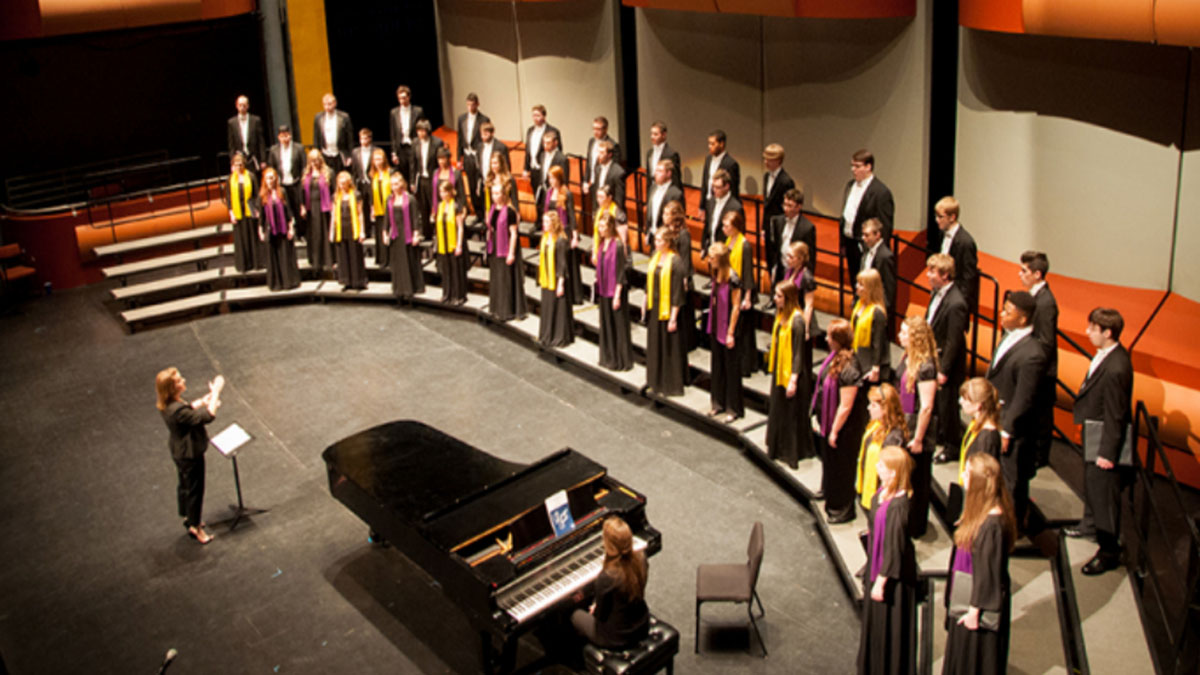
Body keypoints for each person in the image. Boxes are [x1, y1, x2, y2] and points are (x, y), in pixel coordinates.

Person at [1066, 308, 1134, 576]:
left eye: (1092, 328)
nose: (1087, 332)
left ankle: (1108, 552)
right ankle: (1089, 525)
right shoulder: (1107, 357)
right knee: (1092, 488)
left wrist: (1107, 452)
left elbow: (1116, 414)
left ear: (1107, 332)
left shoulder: (1117, 367)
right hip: (1094, 433)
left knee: (1104, 496)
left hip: (1103, 440)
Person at [942, 453, 1016, 675]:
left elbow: (987, 573)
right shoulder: (981, 511)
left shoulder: (991, 525)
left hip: (976, 605)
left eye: (967, 473)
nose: (963, 475)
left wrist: (974, 611)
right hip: (966, 593)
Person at [986, 291, 1047, 532]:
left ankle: (1010, 530)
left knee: (1012, 481)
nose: (1002, 314)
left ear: (1022, 319)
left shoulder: (1033, 354)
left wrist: (1007, 430)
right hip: (995, 419)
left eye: (1008, 311)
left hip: (1013, 430)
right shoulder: (1007, 337)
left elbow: (1024, 397)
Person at [857, 445, 917, 675]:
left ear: (893, 472)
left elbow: (895, 547)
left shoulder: (900, 506)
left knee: (890, 629)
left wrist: (881, 580)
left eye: (882, 465)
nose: (877, 467)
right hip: (877, 567)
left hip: (892, 579)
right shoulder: (882, 494)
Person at [156, 367, 224, 545]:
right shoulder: (177, 410)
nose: (183, 381)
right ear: (172, 388)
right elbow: (208, 416)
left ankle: (188, 515)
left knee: (185, 485)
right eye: (179, 381)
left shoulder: (169, 405)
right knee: (195, 489)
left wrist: (203, 400)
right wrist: (216, 392)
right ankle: (196, 527)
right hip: (189, 453)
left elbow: (187, 410)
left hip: (179, 451)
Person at [814, 318, 868, 523]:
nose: (826, 339)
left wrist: (834, 430)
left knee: (843, 468)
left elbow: (846, 405)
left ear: (838, 340)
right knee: (831, 463)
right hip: (830, 423)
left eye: (830, 336)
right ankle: (829, 493)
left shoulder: (850, 368)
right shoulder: (835, 358)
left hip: (846, 429)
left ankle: (843, 509)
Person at [570, 517, 649, 649]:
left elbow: (600, 616)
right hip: (641, 625)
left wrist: (594, 608)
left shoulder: (608, 577)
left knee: (574, 614)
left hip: (616, 638)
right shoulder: (641, 559)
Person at [925, 254, 970, 464]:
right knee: (938, 405)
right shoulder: (937, 294)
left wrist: (944, 370)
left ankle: (952, 447)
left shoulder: (956, 303)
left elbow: (954, 341)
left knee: (948, 407)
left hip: (947, 365)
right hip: (933, 357)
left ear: (944, 275)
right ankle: (940, 436)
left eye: (932, 271)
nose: (928, 275)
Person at [767, 280, 815, 467]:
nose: (774, 299)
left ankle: (792, 452)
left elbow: (798, 354)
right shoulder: (780, 315)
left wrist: (793, 380)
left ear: (788, 298)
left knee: (792, 413)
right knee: (779, 409)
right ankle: (777, 447)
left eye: (778, 296)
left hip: (793, 374)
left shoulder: (797, 321)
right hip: (780, 370)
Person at [1019, 250, 1059, 469]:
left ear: (1037, 274)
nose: (1020, 274)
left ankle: (1040, 458)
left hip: (1042, 371)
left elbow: (1045, 341)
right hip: (1036, 367)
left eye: (1024, 271)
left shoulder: (1045, 303)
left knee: (1041, 416)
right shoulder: (1037, 298)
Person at [897, 317, 937, 536]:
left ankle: (915, 525)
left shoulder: (926, 366)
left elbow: (927, 407)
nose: (899, 336)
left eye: (904, 333)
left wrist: (919, 438)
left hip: (918, 433)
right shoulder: (907, 358)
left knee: (918, 480)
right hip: (906, 425)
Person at [840, 149, 894, 285]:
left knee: (868, 284)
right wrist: (843, 242)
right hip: (850, 242)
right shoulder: (850, 185)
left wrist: (877, 252)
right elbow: (846, 215)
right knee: (854, 282)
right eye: (852, 166)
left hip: (866, 245)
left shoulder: (881, 192)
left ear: (868, 167)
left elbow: (885, 227)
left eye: (857, 166)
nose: (853, 169)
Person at [644, 228, 686, 396]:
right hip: (654, 307)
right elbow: (650, 282)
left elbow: (677, 293)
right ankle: (655, 380)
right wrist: (645, 301)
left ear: (668, 242)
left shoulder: (675, 261)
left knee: (668, 346)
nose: (657, 243)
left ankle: (670, 384)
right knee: (655, 344)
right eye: (656, 240)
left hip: (668, 309)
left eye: (660, 240)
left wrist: (673, 318)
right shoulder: (655, 256)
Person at [707, 242, 744, 423]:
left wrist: (730, 332)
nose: (709, 260)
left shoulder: (734, 278)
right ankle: (718, 403)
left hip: (728, 327)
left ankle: (733, 408)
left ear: (720, 259)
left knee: (730, 369)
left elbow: (736, 307)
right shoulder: (715, 273)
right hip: (716, 324)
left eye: (712, 258)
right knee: (717, 366)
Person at [856, 384, 909, 511]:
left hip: (883, 494)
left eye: (873, 405)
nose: (868, 408)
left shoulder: (894, 437)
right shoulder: (877, 425)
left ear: (886, 408)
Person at [594, 211, 633, 371]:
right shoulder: (603, 244)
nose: (600, 229)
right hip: (604, 290)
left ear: (610, 227)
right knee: (606, 323)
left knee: (618, 325)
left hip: (615, 291)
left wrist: (617, 295)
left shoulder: (617, 245)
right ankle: (608, 357)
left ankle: (620, 360)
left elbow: (620, 272)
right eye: (599, 226)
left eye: (602, 226)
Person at [722, 211, 757, 377]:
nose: (724, 229)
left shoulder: (745, 245)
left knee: (742, 331)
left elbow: (748, 272)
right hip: (731, 288)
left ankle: (745, 365)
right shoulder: (729, 240)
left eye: (727, 226)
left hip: (742, 292)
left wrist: (747, 296)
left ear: (736, 227)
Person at [539, 165, 581, 304]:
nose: (550, 180)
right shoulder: (549, 192)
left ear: (559, 178)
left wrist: (575, 236)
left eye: (552, 177)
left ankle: (571, 294)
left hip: (563, 232)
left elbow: (571, 215)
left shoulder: (566, 193)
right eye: (549, 177)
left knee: (564, 264)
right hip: (551, 232)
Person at [486, 182, 525, 321]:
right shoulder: (492, 208)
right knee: (497, 278)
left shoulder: (509, 211)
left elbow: (514, 234)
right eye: (493, 193)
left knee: (506, 279)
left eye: (497, 193)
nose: (494, 196)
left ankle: (507, 311)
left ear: (503, 195)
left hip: (505, 247)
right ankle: (497, 308)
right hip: (495, 246)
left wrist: (511, 253)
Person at [257, 168, 300, 291]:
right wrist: (260, 231)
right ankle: (276, 283)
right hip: (271, 230)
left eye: (272, 177)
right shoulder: (262, 195)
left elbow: (289, 211)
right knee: (273, 257)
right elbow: (261, 216)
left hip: (283, 229)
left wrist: (291, 227)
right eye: (268, 178)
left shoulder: (282, 192)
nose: (270, 180)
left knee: (286, 255)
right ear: (264, 180)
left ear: (276, 178)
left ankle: (289, 282)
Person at [383, 172, 424, 301]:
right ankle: (399, 289)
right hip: (396, 234)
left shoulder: (410, 199)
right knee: (398, 263)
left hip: (407, 233)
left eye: (396, 184)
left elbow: (415, 218)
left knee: (409, 261)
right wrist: (384, 233)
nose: (394, 187)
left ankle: (410, 288)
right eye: (392, 184)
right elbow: (386, 219)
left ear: (401, 184)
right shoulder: (389, 199)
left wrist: (416, 234)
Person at [934, 196, 978, 312]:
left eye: (940, 217)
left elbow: (968, 278)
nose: (937, 220)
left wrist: (957, 301)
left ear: (952, 217)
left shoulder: (966, 242)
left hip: (954, 299)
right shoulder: (942, 234)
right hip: (941, 292)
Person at [538, 211, 574, 347]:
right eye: (543, 222)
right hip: (547, 279)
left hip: (557, 280)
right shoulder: (545, 237)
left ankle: (559, 337)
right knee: (548, 307)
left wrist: (560, 283)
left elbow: (562, 264)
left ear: (554, 223)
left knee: (558, 308)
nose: (544, 225)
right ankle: (547, 334)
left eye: (547, 222)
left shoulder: (561, 240)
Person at [766, 188, 816, 286]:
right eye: (784, 204)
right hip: (780, 269)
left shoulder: (807, 228)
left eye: (790, 206)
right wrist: (773, 267)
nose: (785, 208)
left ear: (799, 207)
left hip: (796, 272)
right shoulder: (778, 221)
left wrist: (805, 278)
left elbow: (810, 257)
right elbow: (775, 247)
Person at [663, 202, 696, 352]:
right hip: (669, 276)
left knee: (683, 312)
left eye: (666, 214)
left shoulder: (683, 234)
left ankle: (687, 342)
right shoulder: (665, 231)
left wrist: (683, 280)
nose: (663, 216)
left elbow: (685, 259)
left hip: (682, 278)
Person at [956, 378, 1003, 479]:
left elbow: (984, 478)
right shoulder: (975, 425)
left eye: (965, 399)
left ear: (978, 405)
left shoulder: (987, 439)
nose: (960, 401)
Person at [852, 269, 891, 383]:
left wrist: (875, 367)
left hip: (870, 364)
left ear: (870, 288)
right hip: (859, 357)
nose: (856, 286)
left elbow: (878, 342)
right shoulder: (860, 304)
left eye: (861, 284)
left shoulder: (877, 312)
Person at [433, 179, 468, 304]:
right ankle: (447, 294)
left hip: (453, 243)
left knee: (456, 270)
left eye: (444, 192)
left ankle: (458, 296)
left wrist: (459, 245)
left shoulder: (456, 205)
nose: (442, 194)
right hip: (444, 242)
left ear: (450, 192)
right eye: (440, 192)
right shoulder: (440, 206)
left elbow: (460, 227)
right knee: (446, 270)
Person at [330, 171, 367, 290]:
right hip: (341, 229)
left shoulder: (356, 195)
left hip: (353, 228)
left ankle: (358, 281)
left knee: (355, 255)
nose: (342, 186)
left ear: (348, 183)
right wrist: (331, 231)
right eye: (340, 184)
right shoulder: (336, 196)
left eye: (344, 183)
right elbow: (333, 215)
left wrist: (362, 231)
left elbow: (360, 214)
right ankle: (346, 281)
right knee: (343, 256)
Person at [267, 125, 305, 239]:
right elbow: (271, 167)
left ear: (290, 135)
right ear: (278, 137)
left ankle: (301, 233)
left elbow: (304, 166)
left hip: (296, 182)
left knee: (298, 208)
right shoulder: (274, 150)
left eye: (287, 135)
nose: (285, 138)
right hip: (282, 184)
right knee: (286, 208)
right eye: (282, 136)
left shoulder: (299, 148)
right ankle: (288, 232)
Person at [301, 150, 335, 276]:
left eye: (316, 160)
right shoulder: (306, 174)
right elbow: (302, 192)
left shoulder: (328, 172)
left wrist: (333, 206)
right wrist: (302, 206)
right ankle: (315, 261)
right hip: (311, 208)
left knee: (325, 233)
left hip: (325, 208)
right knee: (314, 235)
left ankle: (328, 260)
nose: (314, 163)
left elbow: (334, 191)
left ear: (320, 159)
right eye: (312, 160)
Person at [225, 152, 260, 273]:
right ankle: (244, 265)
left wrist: (256, 209)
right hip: (238, 212)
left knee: (252, 237)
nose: (238, 167)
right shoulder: (230, 179)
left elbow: (256, 195)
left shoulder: (250, 176)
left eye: (240, 164)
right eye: (236, 165)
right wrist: (231, 213)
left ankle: (256, 263)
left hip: (249, 210)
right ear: (232, 165)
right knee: (241, 240)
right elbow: (228, 198)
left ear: (244, 164)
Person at [699, 129, 740, 221]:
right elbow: (705, 183)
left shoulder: (731, 164)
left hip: (722, 205)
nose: (709, 146)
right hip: (709, 203)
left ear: (721, 144)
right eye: (709, 143)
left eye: (713, 144)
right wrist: (702, 206)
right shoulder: (708, 159)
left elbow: (733, 190)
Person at [413, 120, 445, 236]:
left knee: (435, 206)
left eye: (423, 131)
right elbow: (413, 164)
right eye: (418, 131)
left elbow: (440, 162)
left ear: (427, 130)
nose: (420, 134)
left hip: (434, 179)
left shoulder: (437, 142)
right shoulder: (415, 143)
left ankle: (439, 233)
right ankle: (427, 235)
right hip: (421, 179)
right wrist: (412, 181)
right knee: (423, 207)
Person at [471, 121, 509, 215]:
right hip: (485, 181)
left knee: (499, 208)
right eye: (482, 134)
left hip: (498, 182)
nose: (483, 136)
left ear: (492, 133)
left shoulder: (501, 147)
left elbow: (507, 167)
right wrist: (478, 183)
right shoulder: (479, 147)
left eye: (486, 134)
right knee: (487, 208)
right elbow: (478, 166)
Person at [701, 169, 743, 253]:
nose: (714, 190)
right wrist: (704, 246)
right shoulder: (710, 202)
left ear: (727, 186)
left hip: (726, 254)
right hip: (712, 251)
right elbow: (707, 225)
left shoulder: (736, 207)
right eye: (713, 186)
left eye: (718, 187)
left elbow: (739, 235)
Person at [643, 159, 682, 249]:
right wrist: (647, 232)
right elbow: (650, 210)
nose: (655, 173)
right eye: (656, 170)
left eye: (660, 171)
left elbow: (677, 220)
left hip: (666, 239)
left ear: (668, 173)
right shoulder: (653, 188)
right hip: (653, 236)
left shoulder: (676, 194)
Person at [860, 218, 896, 314]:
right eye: (863, 234)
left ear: (877, 235)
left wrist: (880, 311)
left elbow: (888, 289)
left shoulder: (885, 256)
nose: (863, 238)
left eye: (867, 235)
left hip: (876, 308)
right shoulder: (866, 250)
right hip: (864, 302)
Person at [389, 85, 423, 183]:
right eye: (400, 98)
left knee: (415, 171)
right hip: (401, 148)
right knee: (403, 174)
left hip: (414, 145)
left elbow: (422, 128)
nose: (402, 100)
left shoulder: (418, 111)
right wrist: (394, 152)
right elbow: (393, 133)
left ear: (409, 97)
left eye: (404, 97)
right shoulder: (394, 112)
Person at [583, 117, 622, 200]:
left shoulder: (613, 145)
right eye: (594, 128)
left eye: (598, 129)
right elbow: (589, 162)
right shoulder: (591, 141)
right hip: (593, 183)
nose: (595, 132)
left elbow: (614, 170)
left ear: (605, 129)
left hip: (605, 185)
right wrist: (586, 181)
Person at [523, 104, 560, 191]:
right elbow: (528, 150)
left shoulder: (553, 131)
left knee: (548, 195)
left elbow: (559, 151)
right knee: (537, 196)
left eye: (538, 115)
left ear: (544, 116)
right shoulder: (530, 130)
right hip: (533, 170)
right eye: (534, 115)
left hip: (546, 169)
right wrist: (525, 169)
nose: (535, 118)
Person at [313, 93, 353, 170]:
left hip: (339, 153)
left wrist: (350, 156)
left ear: (335, 103)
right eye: (325, 104)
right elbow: (316, 136)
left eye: (329, 104)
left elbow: (349, 138)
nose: (327, 107)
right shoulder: (318, 117)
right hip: (325, 153)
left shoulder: (344, 117)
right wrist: (316, 154)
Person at [366, 146, 392, 264]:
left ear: (384, 159)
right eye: (375, 159)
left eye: (380, 159)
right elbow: (372, 193)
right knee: (379, 233)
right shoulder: (373, 175)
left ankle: (390, 259)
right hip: (378, 209)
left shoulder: (390, 173)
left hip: (390, 209)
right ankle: (382, 259)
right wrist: (372, 208)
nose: (378, 162)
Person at [227, 95, 265, 171]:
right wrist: (233, 163)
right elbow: (231, 145)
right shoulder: (231, 122)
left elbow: (261, 141)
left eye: (244, 105)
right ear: (236, 106)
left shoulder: (256, 120)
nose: (242, 107)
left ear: (248, 106)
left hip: (253, 158)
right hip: (239, 159)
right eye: (240, 105)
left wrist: (263, 160)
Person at [587, 139, 625, 215]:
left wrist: (612, 214)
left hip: (611, 213)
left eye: (601, 153)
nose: (599, 155)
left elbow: (619, 198)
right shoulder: (597, 169)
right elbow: (596, 190)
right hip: (598, 210)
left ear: (609, 155)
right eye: (598, 152)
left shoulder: (618, 172)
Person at [761, 143, 795, 224]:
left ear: (778, 160)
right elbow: (767, 205)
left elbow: (789, 208)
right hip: (768, 222)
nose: (766, 162)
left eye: (769, 159)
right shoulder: (766, 176)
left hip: (780, 224)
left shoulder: (786, 181)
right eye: (765, 159)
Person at [535, 130, 569, 209]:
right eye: (544, 143)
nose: (545, 145)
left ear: (555, 143)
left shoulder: (562, 158)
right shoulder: (542, 155)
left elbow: (564, 179)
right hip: (544, 191)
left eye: (548, 143)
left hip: (556, 192)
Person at [644, 121, 682, 190]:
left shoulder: (671, 154)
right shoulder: (649, 153)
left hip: (666, 192)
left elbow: (676, 180)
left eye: (655, 134)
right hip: (653, 191)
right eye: (651, 134)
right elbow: (648, 177)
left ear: (664, 135)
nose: (652, 137)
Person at [455, 92, 489, 165]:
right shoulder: (461, 119)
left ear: (477, 104)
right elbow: (460, 139)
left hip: (478, 155)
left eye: (472, 105)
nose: (470, 107)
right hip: (467, 155)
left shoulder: (484, 120)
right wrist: (458, 158)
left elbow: (486, 140)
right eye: (468, 105)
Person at [592, 184, 628, 251]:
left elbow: (623, 238)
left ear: (609, 198)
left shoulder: (618, 213)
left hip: (613, 248)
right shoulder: (599, 211)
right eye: (597, 197)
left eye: (601, 197)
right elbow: (596, 232)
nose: (598, 200)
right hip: (602, 246)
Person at [484, 151, 520, 215]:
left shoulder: (509, 179)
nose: (493, 166)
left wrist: (516, 215)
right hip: (493, 213)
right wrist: (487, 215)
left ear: (501, 164)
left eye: (496, 163)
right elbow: (487, 203)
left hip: (506, 212)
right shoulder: (489, 180)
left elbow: (515, 201)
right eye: (492, 163)